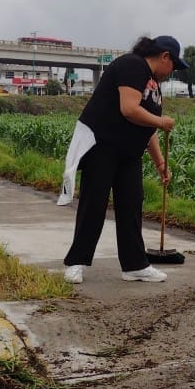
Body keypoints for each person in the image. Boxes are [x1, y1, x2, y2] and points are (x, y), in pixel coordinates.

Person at [61, 35, 186, 284]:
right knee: (94, 204)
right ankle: (76, 262)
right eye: (174, 65)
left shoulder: (153, 85)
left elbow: (146, 127)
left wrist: (160, 163)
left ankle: (135, 265)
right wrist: (161, 122)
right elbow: (129, 109)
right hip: (103, 145)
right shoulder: (132, 65)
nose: (172, 72)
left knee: (131, 205)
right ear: (164, 57)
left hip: (129, 152)